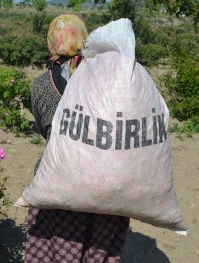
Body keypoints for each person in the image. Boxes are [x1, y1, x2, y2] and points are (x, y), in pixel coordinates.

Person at [25, 14, 130, 263]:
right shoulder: (112, 80)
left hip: (58, 186)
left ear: (51, 43)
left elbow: (44, 131)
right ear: (84, 39)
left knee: (56, 250)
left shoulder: (40, 86)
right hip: (106, 185)